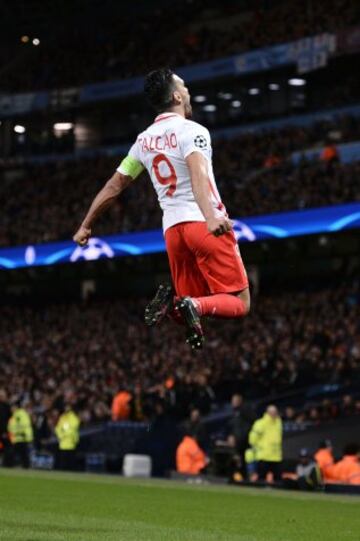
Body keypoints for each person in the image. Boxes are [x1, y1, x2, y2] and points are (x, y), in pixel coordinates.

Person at [73, 68, 250, 349]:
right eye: (185, 87)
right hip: (202, 225)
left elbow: (114, 185)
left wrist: (86, 224)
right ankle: (187, 303)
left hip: (173, 234)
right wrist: (210, 216)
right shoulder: (193, 132)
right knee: (239, 303)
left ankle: (172, 306)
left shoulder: (143, 141)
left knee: (192, 307)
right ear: (177, 95)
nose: (189, 91)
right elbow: (198, 174)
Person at [248, 405, 282, 482]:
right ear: (268, 412)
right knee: (261, 478)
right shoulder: (261, 423)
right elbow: (252, 438)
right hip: (264, 455)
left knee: (278, 479)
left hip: (276, 456)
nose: (274, 414)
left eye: (275, 412)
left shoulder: (278, 422)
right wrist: (258, 448)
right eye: (273, 412)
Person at [7, 402, 34, 468]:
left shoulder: (20, 414)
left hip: (21, 437)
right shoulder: (15, 415)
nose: (11, 409)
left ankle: (10, 465)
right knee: (23, 454)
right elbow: (11, 427)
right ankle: (25, 466)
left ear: (16, 407)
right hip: (17, 438)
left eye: (12, 407)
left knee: (19, 453)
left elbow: (24, 425)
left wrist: (21, 433)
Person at [55, 404, 80, 471]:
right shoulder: (62, 417)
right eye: (65, 407)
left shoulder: (73, 417)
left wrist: (63, 434)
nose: (66, 409)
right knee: (63, 461)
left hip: (71, 442)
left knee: (71, 461)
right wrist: (60, 435)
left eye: (68, 407)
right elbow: (58, 428)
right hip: (63, 443)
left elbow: (73, 429)